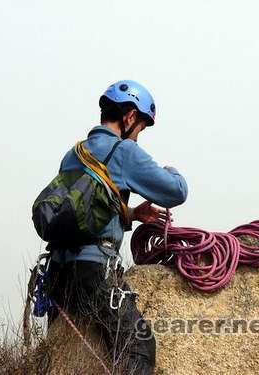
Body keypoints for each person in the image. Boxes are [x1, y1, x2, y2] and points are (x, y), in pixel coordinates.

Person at [46, 80, 188, 374]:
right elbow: (176, 191)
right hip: (93, 271)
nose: (138, 137)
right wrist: (171, 170)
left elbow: (83, 212)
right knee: (138, 344)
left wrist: (132, 214)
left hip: (58, 276)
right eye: (141, 128)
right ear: (130, 117)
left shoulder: (74, 153)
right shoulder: (124, 151)